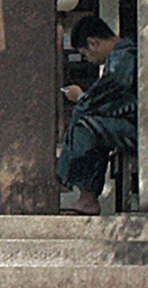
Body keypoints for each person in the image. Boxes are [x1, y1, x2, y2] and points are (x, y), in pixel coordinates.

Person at [57, 14, 137, 215]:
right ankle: (67, 179)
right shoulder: (122, 54)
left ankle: (83, 195)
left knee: (86, 126)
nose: (89, 60)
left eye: (85, 54)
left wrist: (81, 97)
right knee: (88, 122)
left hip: (138, 125)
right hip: (131, 119)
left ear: (93, 43)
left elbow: (106, 97)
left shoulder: (124, 56)